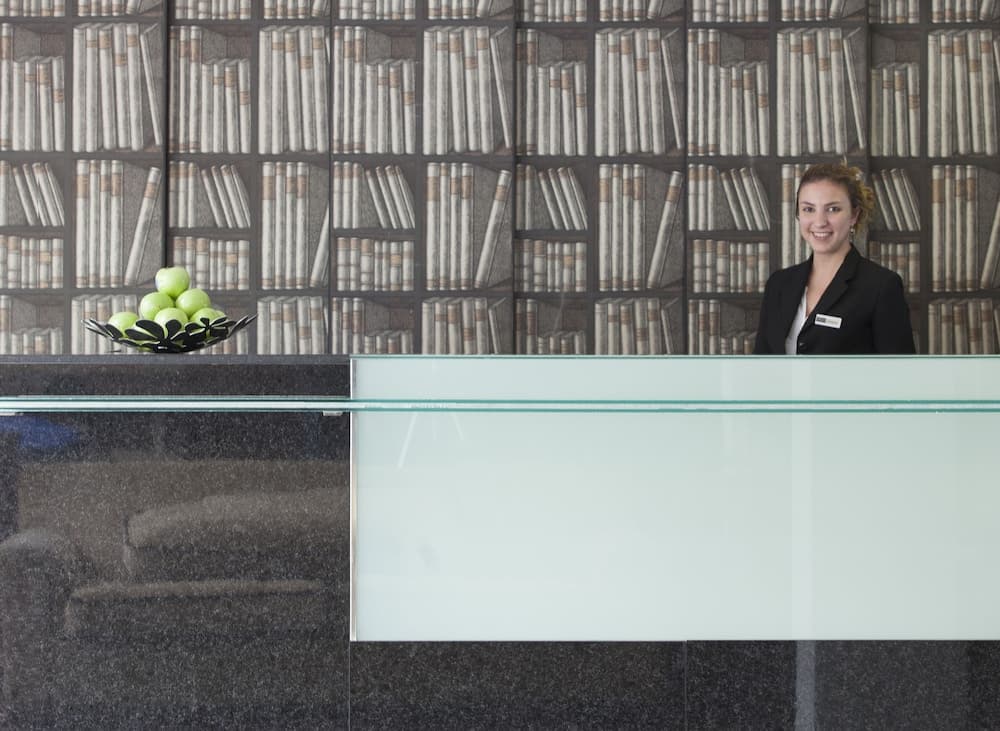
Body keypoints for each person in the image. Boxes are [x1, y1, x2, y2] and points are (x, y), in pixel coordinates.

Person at [753, 163, 916, 354]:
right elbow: (761, 363)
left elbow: (899, 369)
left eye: (833, 209)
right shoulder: (778, 285)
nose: (820, 222)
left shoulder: (881, 287)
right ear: (798, 214)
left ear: (854, 215)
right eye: (808, 209)